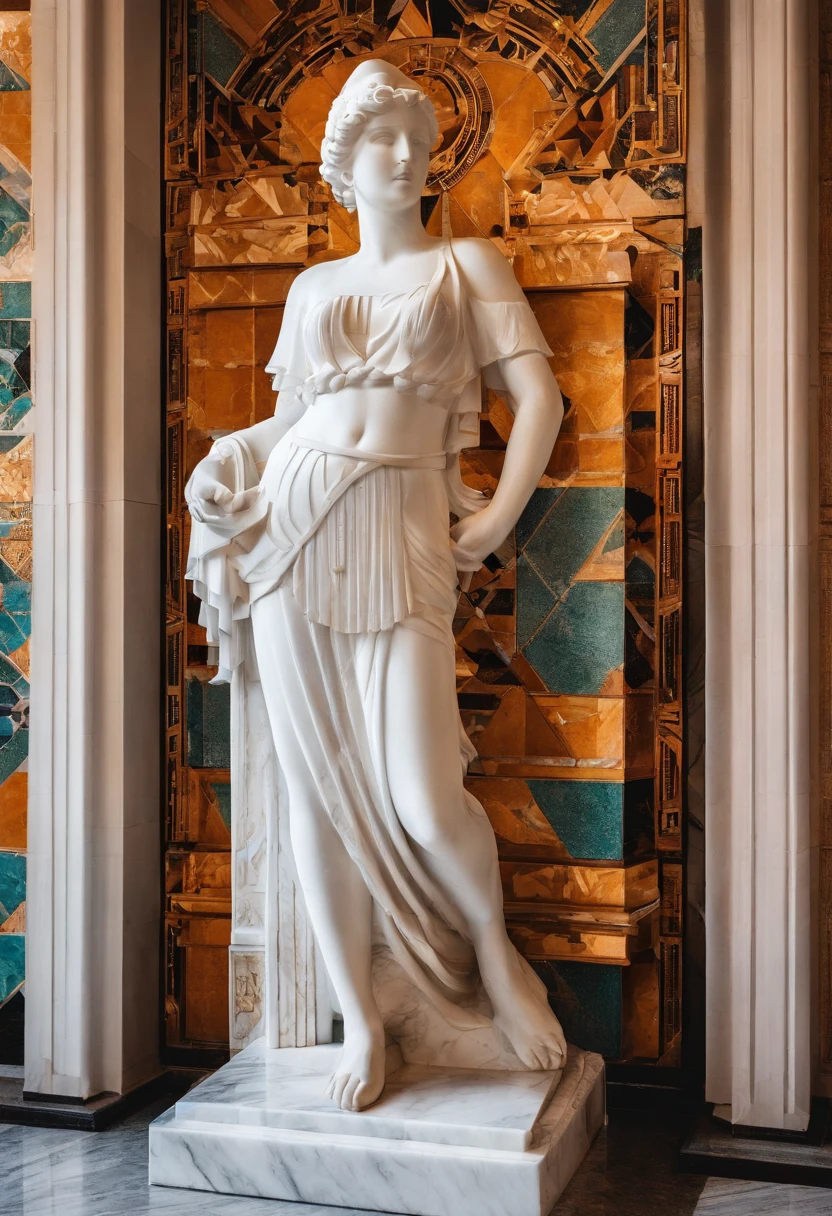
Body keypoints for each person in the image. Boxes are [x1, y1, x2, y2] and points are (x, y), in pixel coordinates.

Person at [185, 59, 567, 1113]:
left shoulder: (466, 264)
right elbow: (294, 417)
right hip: (296, 527)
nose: (402, 155)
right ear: (342, 166)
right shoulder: (313, 288)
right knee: (314, 789)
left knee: (417, 791)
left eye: (413, 136)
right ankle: (360, 1016)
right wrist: (226, 458)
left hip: (401, 525)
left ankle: (495, 958)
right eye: (379, 139)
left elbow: (538, 400)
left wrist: (493, 519)